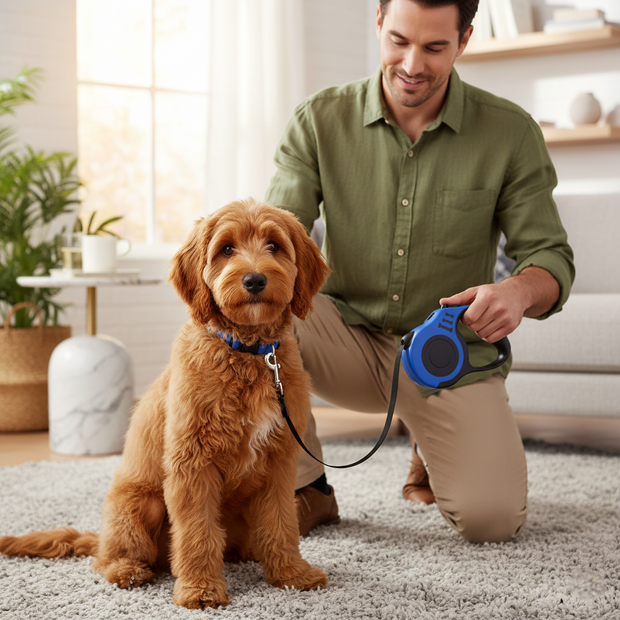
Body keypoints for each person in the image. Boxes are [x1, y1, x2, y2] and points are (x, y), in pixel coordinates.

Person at [264, 0, 574, 543]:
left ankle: (430, 444)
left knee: (492, 521)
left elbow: (550, 257)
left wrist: (518, 292)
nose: (412, 64)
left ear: (465, 40)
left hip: (446, 353)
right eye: (399, 41)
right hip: (345, 339)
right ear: (378, 23)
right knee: (258, 314)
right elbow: (276, 237)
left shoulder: (510, 132)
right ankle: (307, 487)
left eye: (434, 47)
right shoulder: (317, 120)